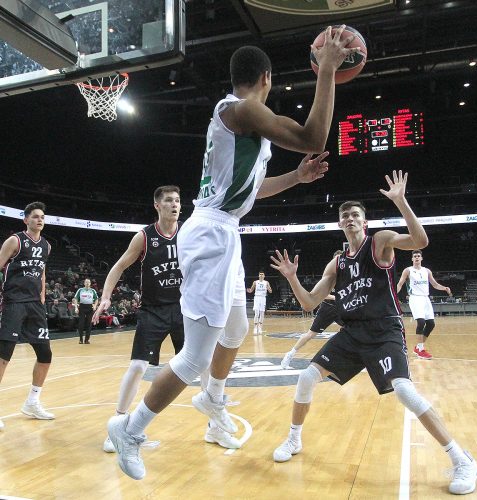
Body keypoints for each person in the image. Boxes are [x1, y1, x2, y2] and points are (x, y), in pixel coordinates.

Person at [107, 31, 359, 480]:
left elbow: (252, 190)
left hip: (225, 229)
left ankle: (213, 398)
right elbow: (314, 134)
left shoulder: (242, 122)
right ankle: (130, 428)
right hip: (209, 235)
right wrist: (326, 69)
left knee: (238, 326)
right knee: (193, 359)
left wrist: (296, 179)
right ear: (266, 78)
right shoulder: (239, 109)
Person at [270, 171, 477, 496]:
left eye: (355, 214)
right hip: (352, 334)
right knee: (306, 377)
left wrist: (400, 201)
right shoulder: (337, 262)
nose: (350, 218)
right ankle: (294, 438)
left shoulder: (379, 242)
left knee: (405, 392)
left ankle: (462, 459)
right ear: (340, 224)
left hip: (384, 330)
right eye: (345, 216)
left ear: (363, 222)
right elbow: (310, 302)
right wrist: (292, 277)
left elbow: (420, 241)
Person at [92, 186, 190, 453]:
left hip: (184, 310)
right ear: (157, 205)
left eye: (178, 201)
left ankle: (214, 425)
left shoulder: (189, 232)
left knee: (199, 366)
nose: (175, 204)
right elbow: (119, 266)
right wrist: (105, 297)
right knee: (137, 367)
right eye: (169, 200)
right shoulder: (145, 237)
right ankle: (118, 427)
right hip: (153, 311)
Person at [0, 202, 55, 429]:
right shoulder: (15, 241)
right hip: (14, 303)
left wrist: (42, 297)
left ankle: (32, 402)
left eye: (42, 217)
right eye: (35, 217)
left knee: (45, 354)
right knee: (4, 355)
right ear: (26, 220)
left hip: (35, 305)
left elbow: (41, 272)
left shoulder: (46, 246)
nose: (39, 220)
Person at [281, 250, 343, 369]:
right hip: (328, 308)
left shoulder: (347, 275)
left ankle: (358, 360)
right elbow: (321, 295)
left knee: (353, 331)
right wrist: (337, 297)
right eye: (337, 259)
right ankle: (289, 355)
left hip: (341, 308)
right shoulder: (329, 277)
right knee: (311, 334)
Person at [396, 250, 452, 359]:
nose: (417, 258)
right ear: (412, 259)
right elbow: (400, 284)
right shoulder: (408, 270)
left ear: (421, 258)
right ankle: (421, 350)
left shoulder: (427, 271)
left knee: (431, 324)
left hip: (426, 299)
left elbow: (435, 284)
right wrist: (394, 294)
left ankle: (418, 347)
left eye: (418, 256)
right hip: (415, 298)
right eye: (415, 256)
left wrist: (444, 288)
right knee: (421, 322)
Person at [75, 278, 98, 344]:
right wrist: (76, 308)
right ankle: (81, 339)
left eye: (88, 282)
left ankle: (87, 339)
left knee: (89, 324)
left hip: (90, 308)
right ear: (84, 283)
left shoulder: (93, 290)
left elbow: (96, 299)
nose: (87, 284)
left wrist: (95, 306)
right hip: (82, 307)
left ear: (90, 283)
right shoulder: (80, 290)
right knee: (81, 323)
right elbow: (75, 299)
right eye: (86, 282)